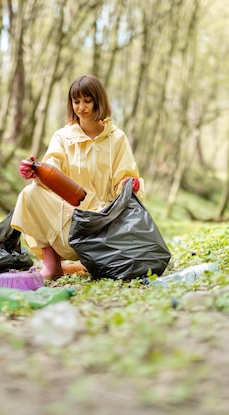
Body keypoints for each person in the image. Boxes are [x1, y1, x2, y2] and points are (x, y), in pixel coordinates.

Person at [11, 74, 144, 279]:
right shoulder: (62, 137)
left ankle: (91, 264)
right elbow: (50, 172)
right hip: (70, 218)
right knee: (30, 193)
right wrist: (35, 172)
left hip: (104, 222)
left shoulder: (117, 138)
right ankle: (52, 264)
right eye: (76, 101)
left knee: (110, 267)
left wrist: (130, 184)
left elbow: (126, 179)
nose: (81, 107)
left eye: (87, 101)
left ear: (98, 101)